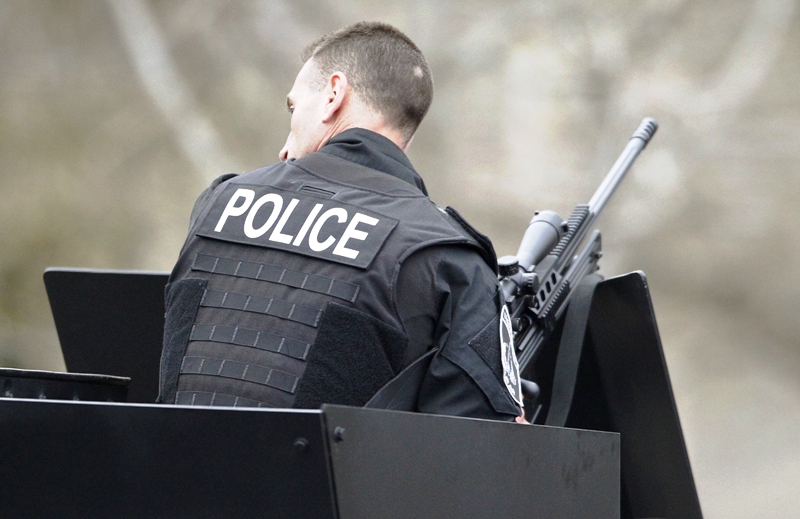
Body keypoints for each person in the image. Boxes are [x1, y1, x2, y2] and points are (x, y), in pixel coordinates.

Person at [158, 21, 523, 422]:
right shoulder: (445, 255)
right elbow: (483, 453)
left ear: (334, 95)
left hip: (171, 479)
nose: (284, 149)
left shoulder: (219, 203)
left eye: (294, 109)